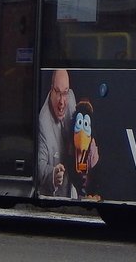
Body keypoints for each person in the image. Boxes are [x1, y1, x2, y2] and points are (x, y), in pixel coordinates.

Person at [36, 68, 98, 198]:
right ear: (51, 90)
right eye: (58, 92)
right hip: (55, 198)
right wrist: (53, 175)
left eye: (65, 93)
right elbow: (39, 166)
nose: (62, 102)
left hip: (73, 190)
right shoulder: (43, 122)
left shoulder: (71, 99)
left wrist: (90, 147)